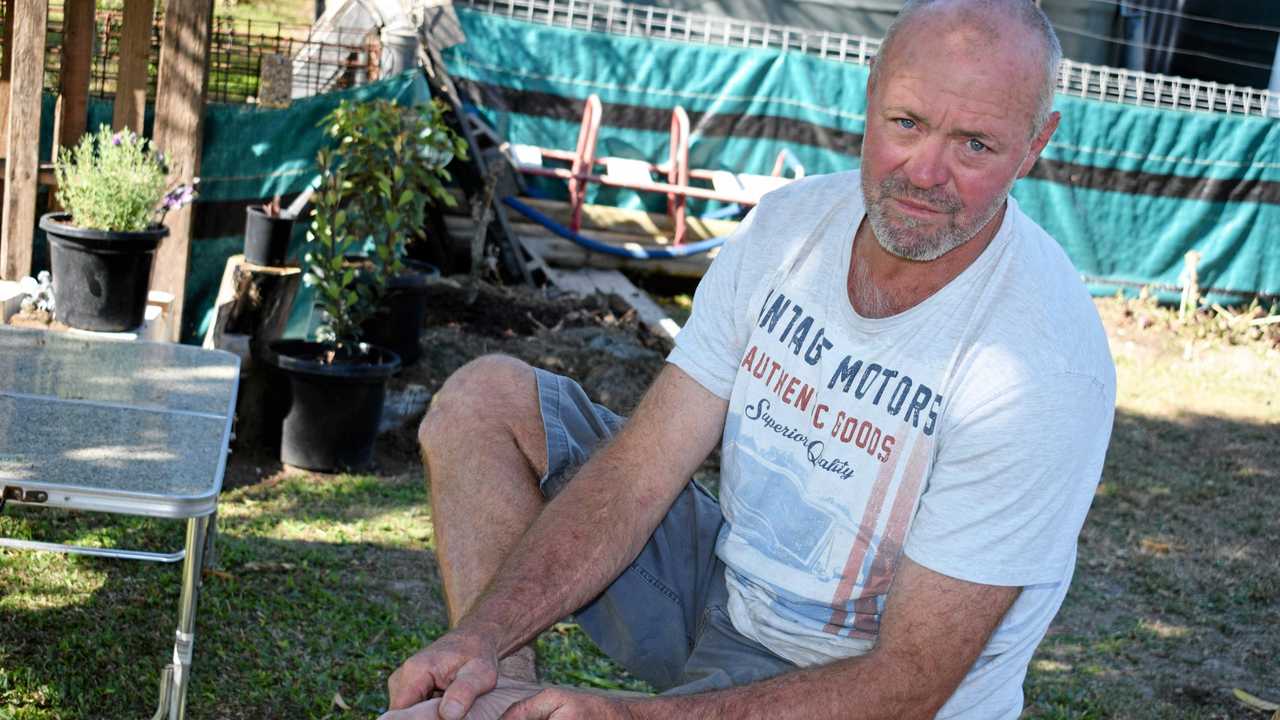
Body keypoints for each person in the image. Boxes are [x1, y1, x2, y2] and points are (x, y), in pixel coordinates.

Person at [385, 0, 1116, 717]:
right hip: (730, 592)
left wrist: (624, 715)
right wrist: (483, 637)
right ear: (870, 93)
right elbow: (646, 468)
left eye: (976, 145)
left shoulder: (1040, 370)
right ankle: (491, 692)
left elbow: (909, 682)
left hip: (860, 684)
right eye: (906, 123)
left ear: (1035, 143)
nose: (926, 172)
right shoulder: (790, 228)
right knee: (487, 402)